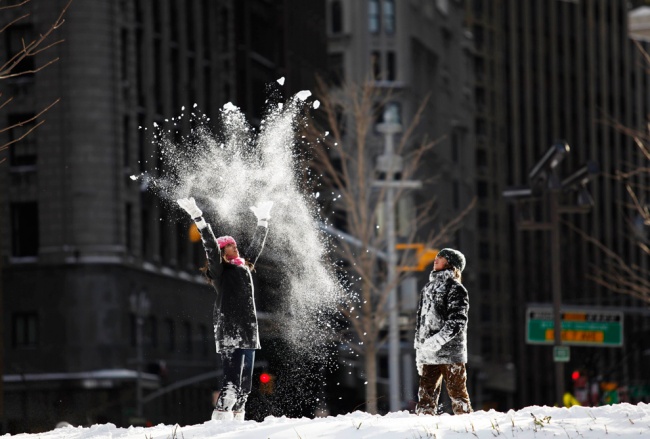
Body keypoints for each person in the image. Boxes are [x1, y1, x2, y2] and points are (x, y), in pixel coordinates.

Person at [177, 197, 273, 421]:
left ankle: (238, 423)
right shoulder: (220, 271)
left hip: (249, 329)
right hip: (229, 327)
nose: (234, 246)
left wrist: (263, 220)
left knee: (246, 387)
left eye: (234, 244)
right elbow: (210, 245)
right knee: (231, 383)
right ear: (222, 253)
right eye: (229, 245)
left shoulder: (244, 266)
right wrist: (198, 218)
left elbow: (256, 246)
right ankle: (219, 424)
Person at [414, 248, 472, 415]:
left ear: (451, 264)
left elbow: (457, 320)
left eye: (441, 257)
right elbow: (421, 323)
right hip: (429, 354)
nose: (436, 259)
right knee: (425, 397)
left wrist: (436, 341)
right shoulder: (428, 289)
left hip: (451, 353)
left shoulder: (455, 288)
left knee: (458, 395)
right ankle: (424, 430)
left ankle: (467, 430)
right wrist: (420, 350)